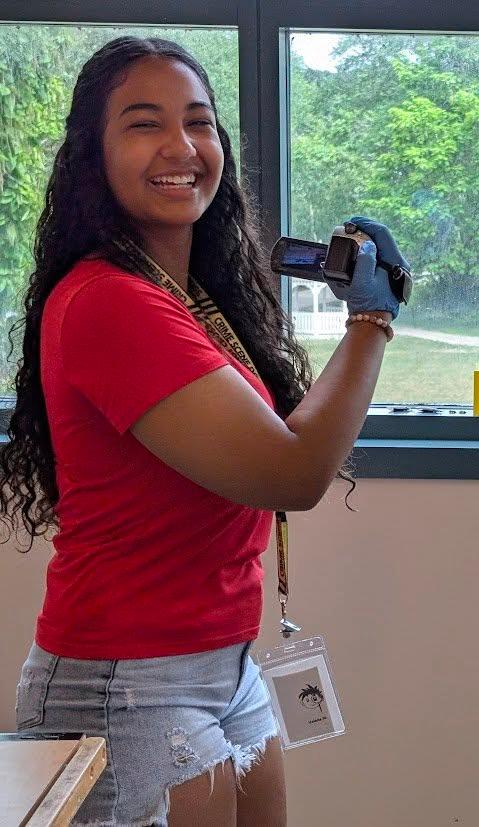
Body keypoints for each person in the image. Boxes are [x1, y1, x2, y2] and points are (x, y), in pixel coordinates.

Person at [2, 36, 407, 826]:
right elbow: (292, 473)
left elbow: (273, 442)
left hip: (225, 665)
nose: (181, 147)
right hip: (127, 679)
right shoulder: (109, 302)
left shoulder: (187, 299)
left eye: (199, 122)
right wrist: (370, 320)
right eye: (144, 124)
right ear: (95, 152)